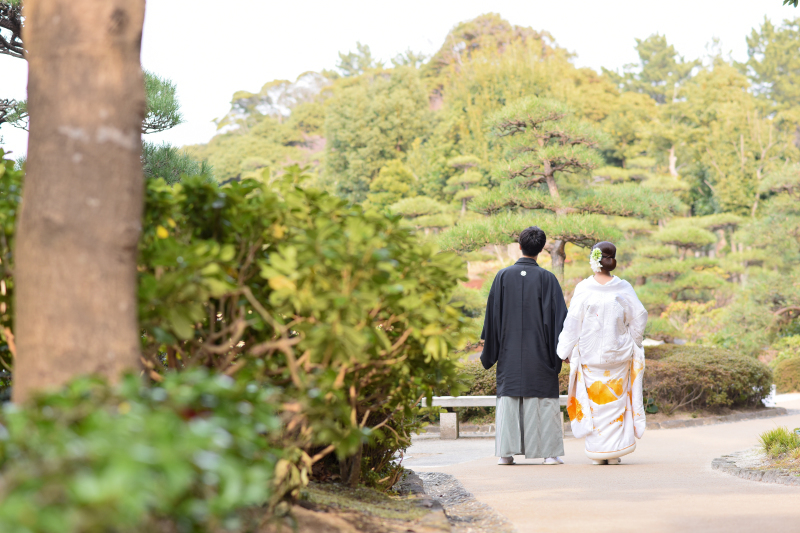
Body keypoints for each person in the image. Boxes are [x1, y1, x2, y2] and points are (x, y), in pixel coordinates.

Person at [480, 226, 568, 465]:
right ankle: (549, 453)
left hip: (508, 352)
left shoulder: (502, 276)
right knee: (543, 399)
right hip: (540, 353)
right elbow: (560, 320)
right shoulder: (548, 279)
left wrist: (491, 347)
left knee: (509, 398)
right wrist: (562, 352)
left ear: (519, 246)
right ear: (540, 250)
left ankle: (505, 454)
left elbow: (492, 317)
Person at [556, 241, 648, 465]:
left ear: (594, 260)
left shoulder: (584, 288)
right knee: (616, 403)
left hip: (591, 355)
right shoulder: (623, 287)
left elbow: (573, 323)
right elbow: (640, 316)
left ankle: (598, 453)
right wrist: (634, 338)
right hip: (619, 354)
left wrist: (564, 350)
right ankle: (614, 452)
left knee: (595, 404)